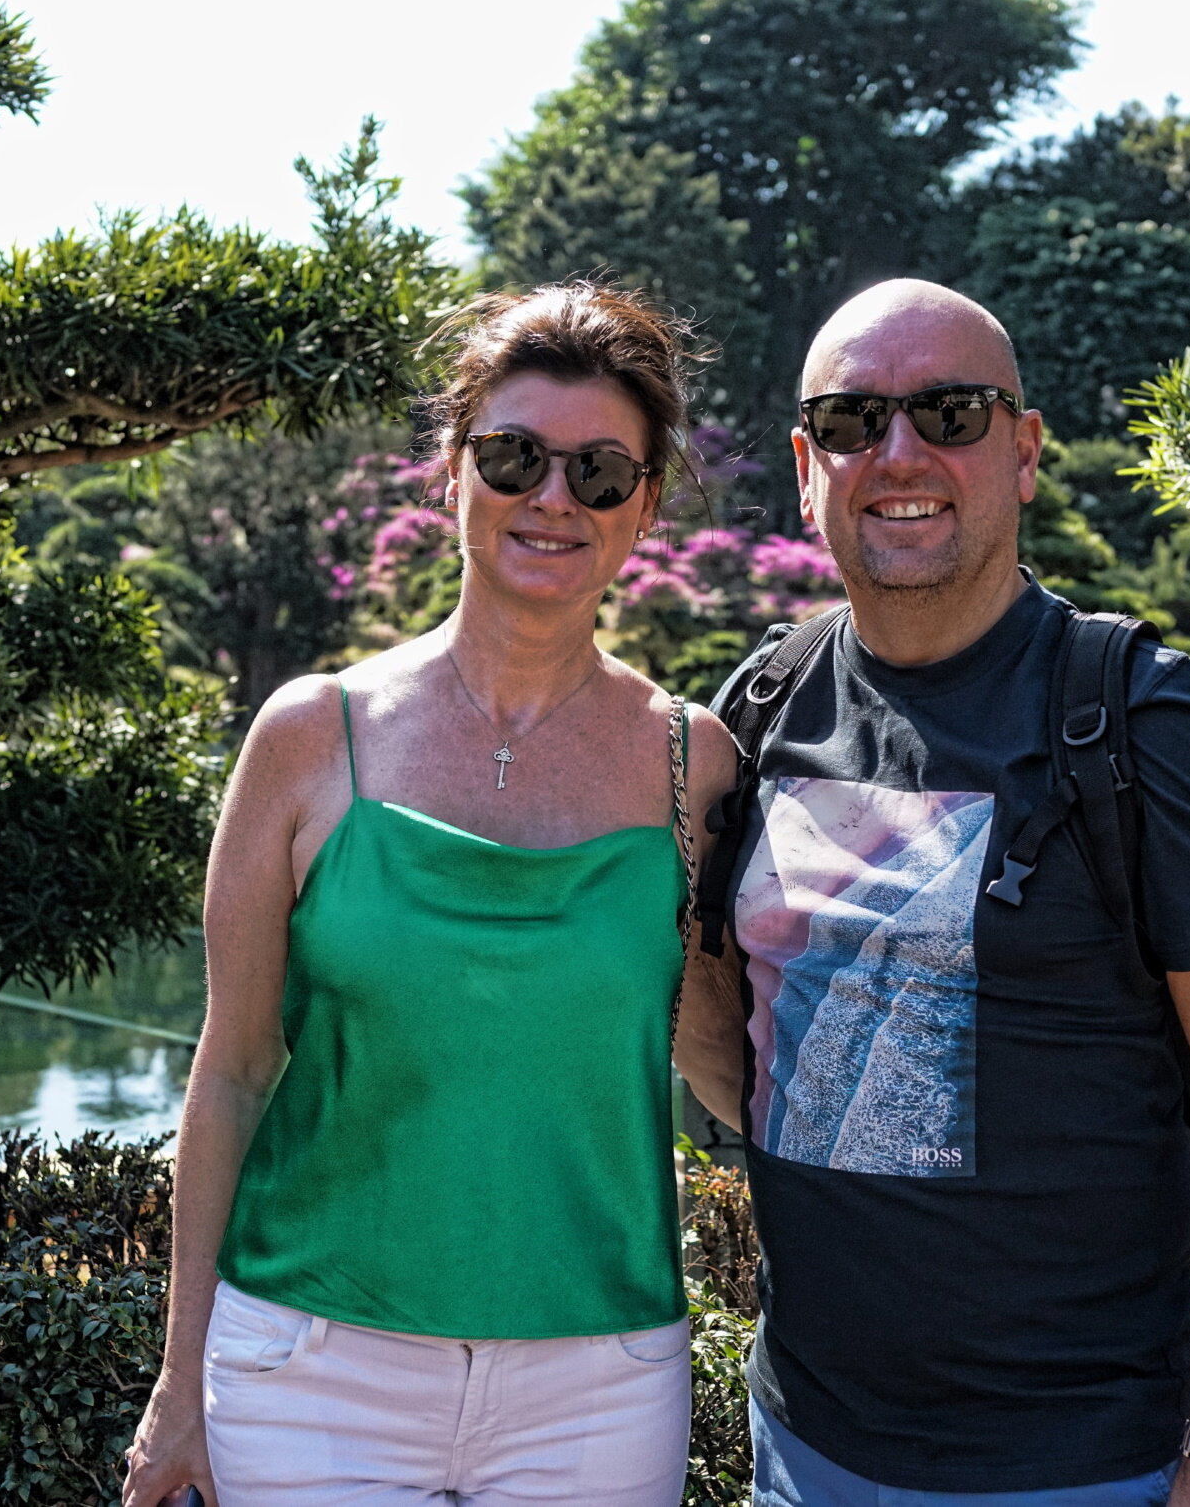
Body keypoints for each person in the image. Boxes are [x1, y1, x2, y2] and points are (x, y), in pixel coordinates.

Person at [674, 280, 1190, 1506]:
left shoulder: (1146, 718)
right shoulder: (762, 706)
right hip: (802, 1447)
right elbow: (728, 1032)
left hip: (1076, 1468)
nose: (899, 452)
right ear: (806, 465)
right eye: (851, 419)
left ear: (1023, 451)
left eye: (950, 411)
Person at [122, 282, 738, 1507]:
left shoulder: (694, 763)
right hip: (308, 1367)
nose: (552, 496)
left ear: (644, 509)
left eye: (600, 473)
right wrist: (178, 1381)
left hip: (601, 1378)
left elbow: (726, 1058)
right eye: (513, 456)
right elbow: (233, 1068)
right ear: (452, 471)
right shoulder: (307, 737)